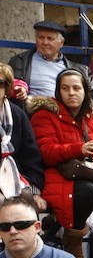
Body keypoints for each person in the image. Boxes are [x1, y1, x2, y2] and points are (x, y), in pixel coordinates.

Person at [30, 68, 93, 258]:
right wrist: (78, 149)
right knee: (88, 190)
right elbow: (45, 152)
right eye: (65, 88)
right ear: (58, 91)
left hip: (90, 172)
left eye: (76, 88)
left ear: (85, 91)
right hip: (60, 175)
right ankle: (74, 238)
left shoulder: (91, 117)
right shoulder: (45, 115)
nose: (71, 93)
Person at [9, 20, 93, 116]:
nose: (45, 42)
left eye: (50, 38)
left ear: (61, 42)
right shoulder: (19, 62)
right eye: (41, 38)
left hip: (68, 118)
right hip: (32, 117)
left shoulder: (81, 70)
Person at [0, 62, 43, 197]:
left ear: (7, 88)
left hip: (17, 178)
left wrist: (34, 189)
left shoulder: (17, 115)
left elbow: (31, 156)